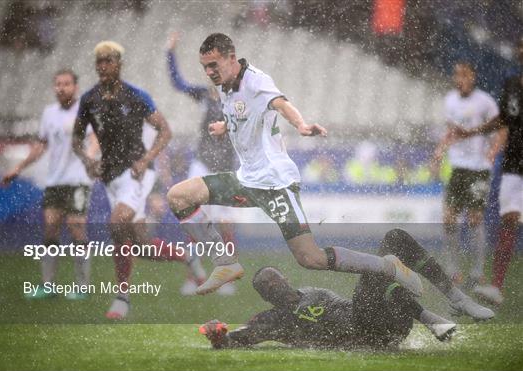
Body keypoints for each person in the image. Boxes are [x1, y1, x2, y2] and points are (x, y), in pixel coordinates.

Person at [166, 33, 489, 320]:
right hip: (246, 179)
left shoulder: (255, 79)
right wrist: (226, 126)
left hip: (276, 184)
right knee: (178, 196)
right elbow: (244, 113)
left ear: (231, 58)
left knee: (311, 258)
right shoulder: (225, 87)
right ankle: (226, 262)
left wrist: (302, 125)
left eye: (213, 64)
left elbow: (281, 104)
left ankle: (388, 266)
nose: (208, 72)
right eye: (204, 66)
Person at [72, 41, 203, 319]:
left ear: (119, 64)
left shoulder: (135, 96)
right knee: (140, 243)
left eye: (108, 61)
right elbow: (76, 139)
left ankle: (122, 298)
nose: (103, 66)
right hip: (110, 178)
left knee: (117, 222)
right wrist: (88, 161)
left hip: (137, 173)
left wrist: (146, 159)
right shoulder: (89, 99)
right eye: (99, 62)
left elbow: (165, 131)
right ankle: (187, 257)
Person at [200, 229, 494, 350]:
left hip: (390, 322)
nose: (275, 286)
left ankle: (455, 297)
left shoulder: (309, 291)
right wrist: (218, 334)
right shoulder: (274, 320)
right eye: (268, 287)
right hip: (364, 334)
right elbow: (238, 339)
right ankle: (430, 318)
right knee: (376, 272)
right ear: (266, 296)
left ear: (286, 278)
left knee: (394, 238)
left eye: (275, 279)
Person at [0, 68, 98, 300]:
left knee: (76, 227)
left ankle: (82, 286)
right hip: (54, 181)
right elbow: (41, 146)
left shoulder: (85, 111)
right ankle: (48, 285)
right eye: (58, 84)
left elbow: (95, 139)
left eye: (66, 83)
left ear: (75, 87)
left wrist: (91, 158)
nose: (61, 87)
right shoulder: (49, 113)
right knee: (51, 229)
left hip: (78, 180)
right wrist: (18, 168)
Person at [453, 38, 523, 305]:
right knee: (509, 220)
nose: (520, 49)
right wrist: (473, 132)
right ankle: (496, 286)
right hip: (514, 165)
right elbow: (503, 120)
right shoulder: (512, 84)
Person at [165, 31, 236, 296]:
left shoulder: (237, 96)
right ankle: (194, 277)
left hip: (227, 167)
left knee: (225, 225)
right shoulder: (205, 95)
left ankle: (226, 278)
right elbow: (177, 83)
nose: (212, 74)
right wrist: (169, 52)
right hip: (203, 163)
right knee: (192, 221)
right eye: (209, 69)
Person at [431, 62, 501, 287]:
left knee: (474, 218)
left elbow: (501, 128)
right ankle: (453, 269)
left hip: (479, 168)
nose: (460, 79)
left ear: (473, 77)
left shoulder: (485, 101)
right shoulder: (450, 100)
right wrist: (439, 151)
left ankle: (478, 271)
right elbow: (451, 131)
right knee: (449, 218)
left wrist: (493, 150)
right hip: (458, 166)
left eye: (464, 75)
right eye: (457, 75)